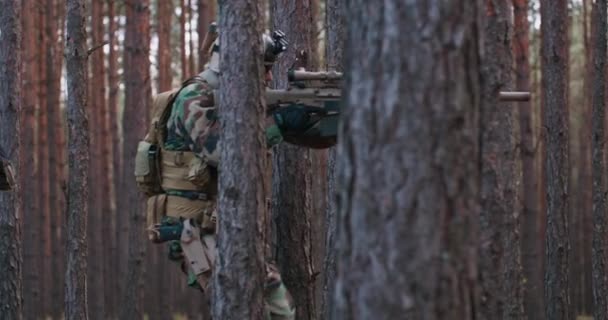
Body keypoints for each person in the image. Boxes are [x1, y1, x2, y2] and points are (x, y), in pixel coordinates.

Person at [140, 30, 303, 320]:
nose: (267, 79)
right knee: (244, 308)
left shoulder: (225, 99)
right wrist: (278, 124)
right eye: (262, 70)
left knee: (277, 306)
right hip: (196, 231)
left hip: (221, 228)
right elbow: (222, 152)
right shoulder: (194, 97)